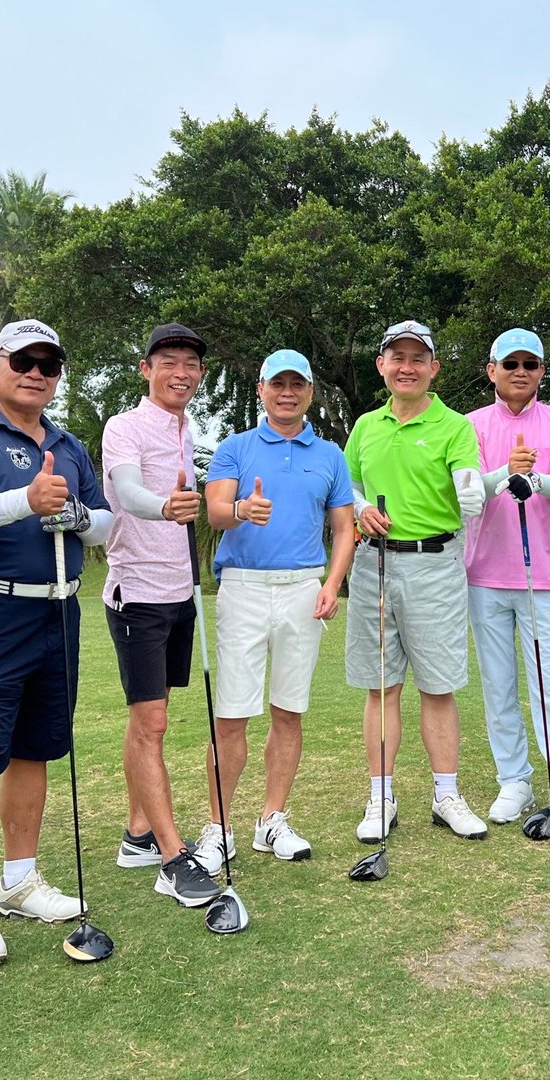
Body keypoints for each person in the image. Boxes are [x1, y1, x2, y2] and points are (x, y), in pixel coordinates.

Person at [0, 319, 113, 966]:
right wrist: (26, 501)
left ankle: (19, 880)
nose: (36, 373)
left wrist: (75, 515)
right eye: (23, 361)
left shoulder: (68, 444)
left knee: (36, 749)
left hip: (55, 612)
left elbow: (105, 526)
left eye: (48, 364)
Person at [202, 349, 355, 862]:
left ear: (310, 392)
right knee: (231, 715)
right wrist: (243, 509)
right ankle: (218, 827)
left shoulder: (330, 455)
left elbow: (343, 529)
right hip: (243, 587)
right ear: (262, 389)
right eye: (277, 384)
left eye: (297, 384)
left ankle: (272, 819)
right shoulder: (236, 447)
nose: (287, 393)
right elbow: (215, 511)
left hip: (303, 588)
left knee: (289, 711)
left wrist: (333, 583)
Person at [345, 319, 489, 842]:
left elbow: (467, 477)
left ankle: (446, 795)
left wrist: (471, 489)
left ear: (434, 368)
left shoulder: (454, 426)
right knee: (381, 686)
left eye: (417, 359)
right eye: (397, 358)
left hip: (434, 564)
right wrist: (360, 508)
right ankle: (380, 796)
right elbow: (349, 486)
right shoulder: (366, 426)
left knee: (438, 686)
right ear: (381, 365)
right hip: (373, 565)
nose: (407, 367)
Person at [99, 323, 221, 908]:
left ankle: (138, 834)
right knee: (151, 724)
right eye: (168, 361)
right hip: (138, 594)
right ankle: (173, 858)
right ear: (146, 369)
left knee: (150, 719)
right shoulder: (123, 426)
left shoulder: (186, 428)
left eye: (191, 364)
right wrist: (165, 507)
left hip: (179, 592)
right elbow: (127, 492)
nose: (181, 372)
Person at [464, 328, 550, 850]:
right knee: (498, 685)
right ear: (492, 370)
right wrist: (505, 473)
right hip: (484, 573)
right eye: (510, 363)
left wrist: (535, 479)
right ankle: (514, 780)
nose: (520, 372)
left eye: (530, 364)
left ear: (541, 371)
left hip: (541, 575)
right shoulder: (471, 424)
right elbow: (468, 488)